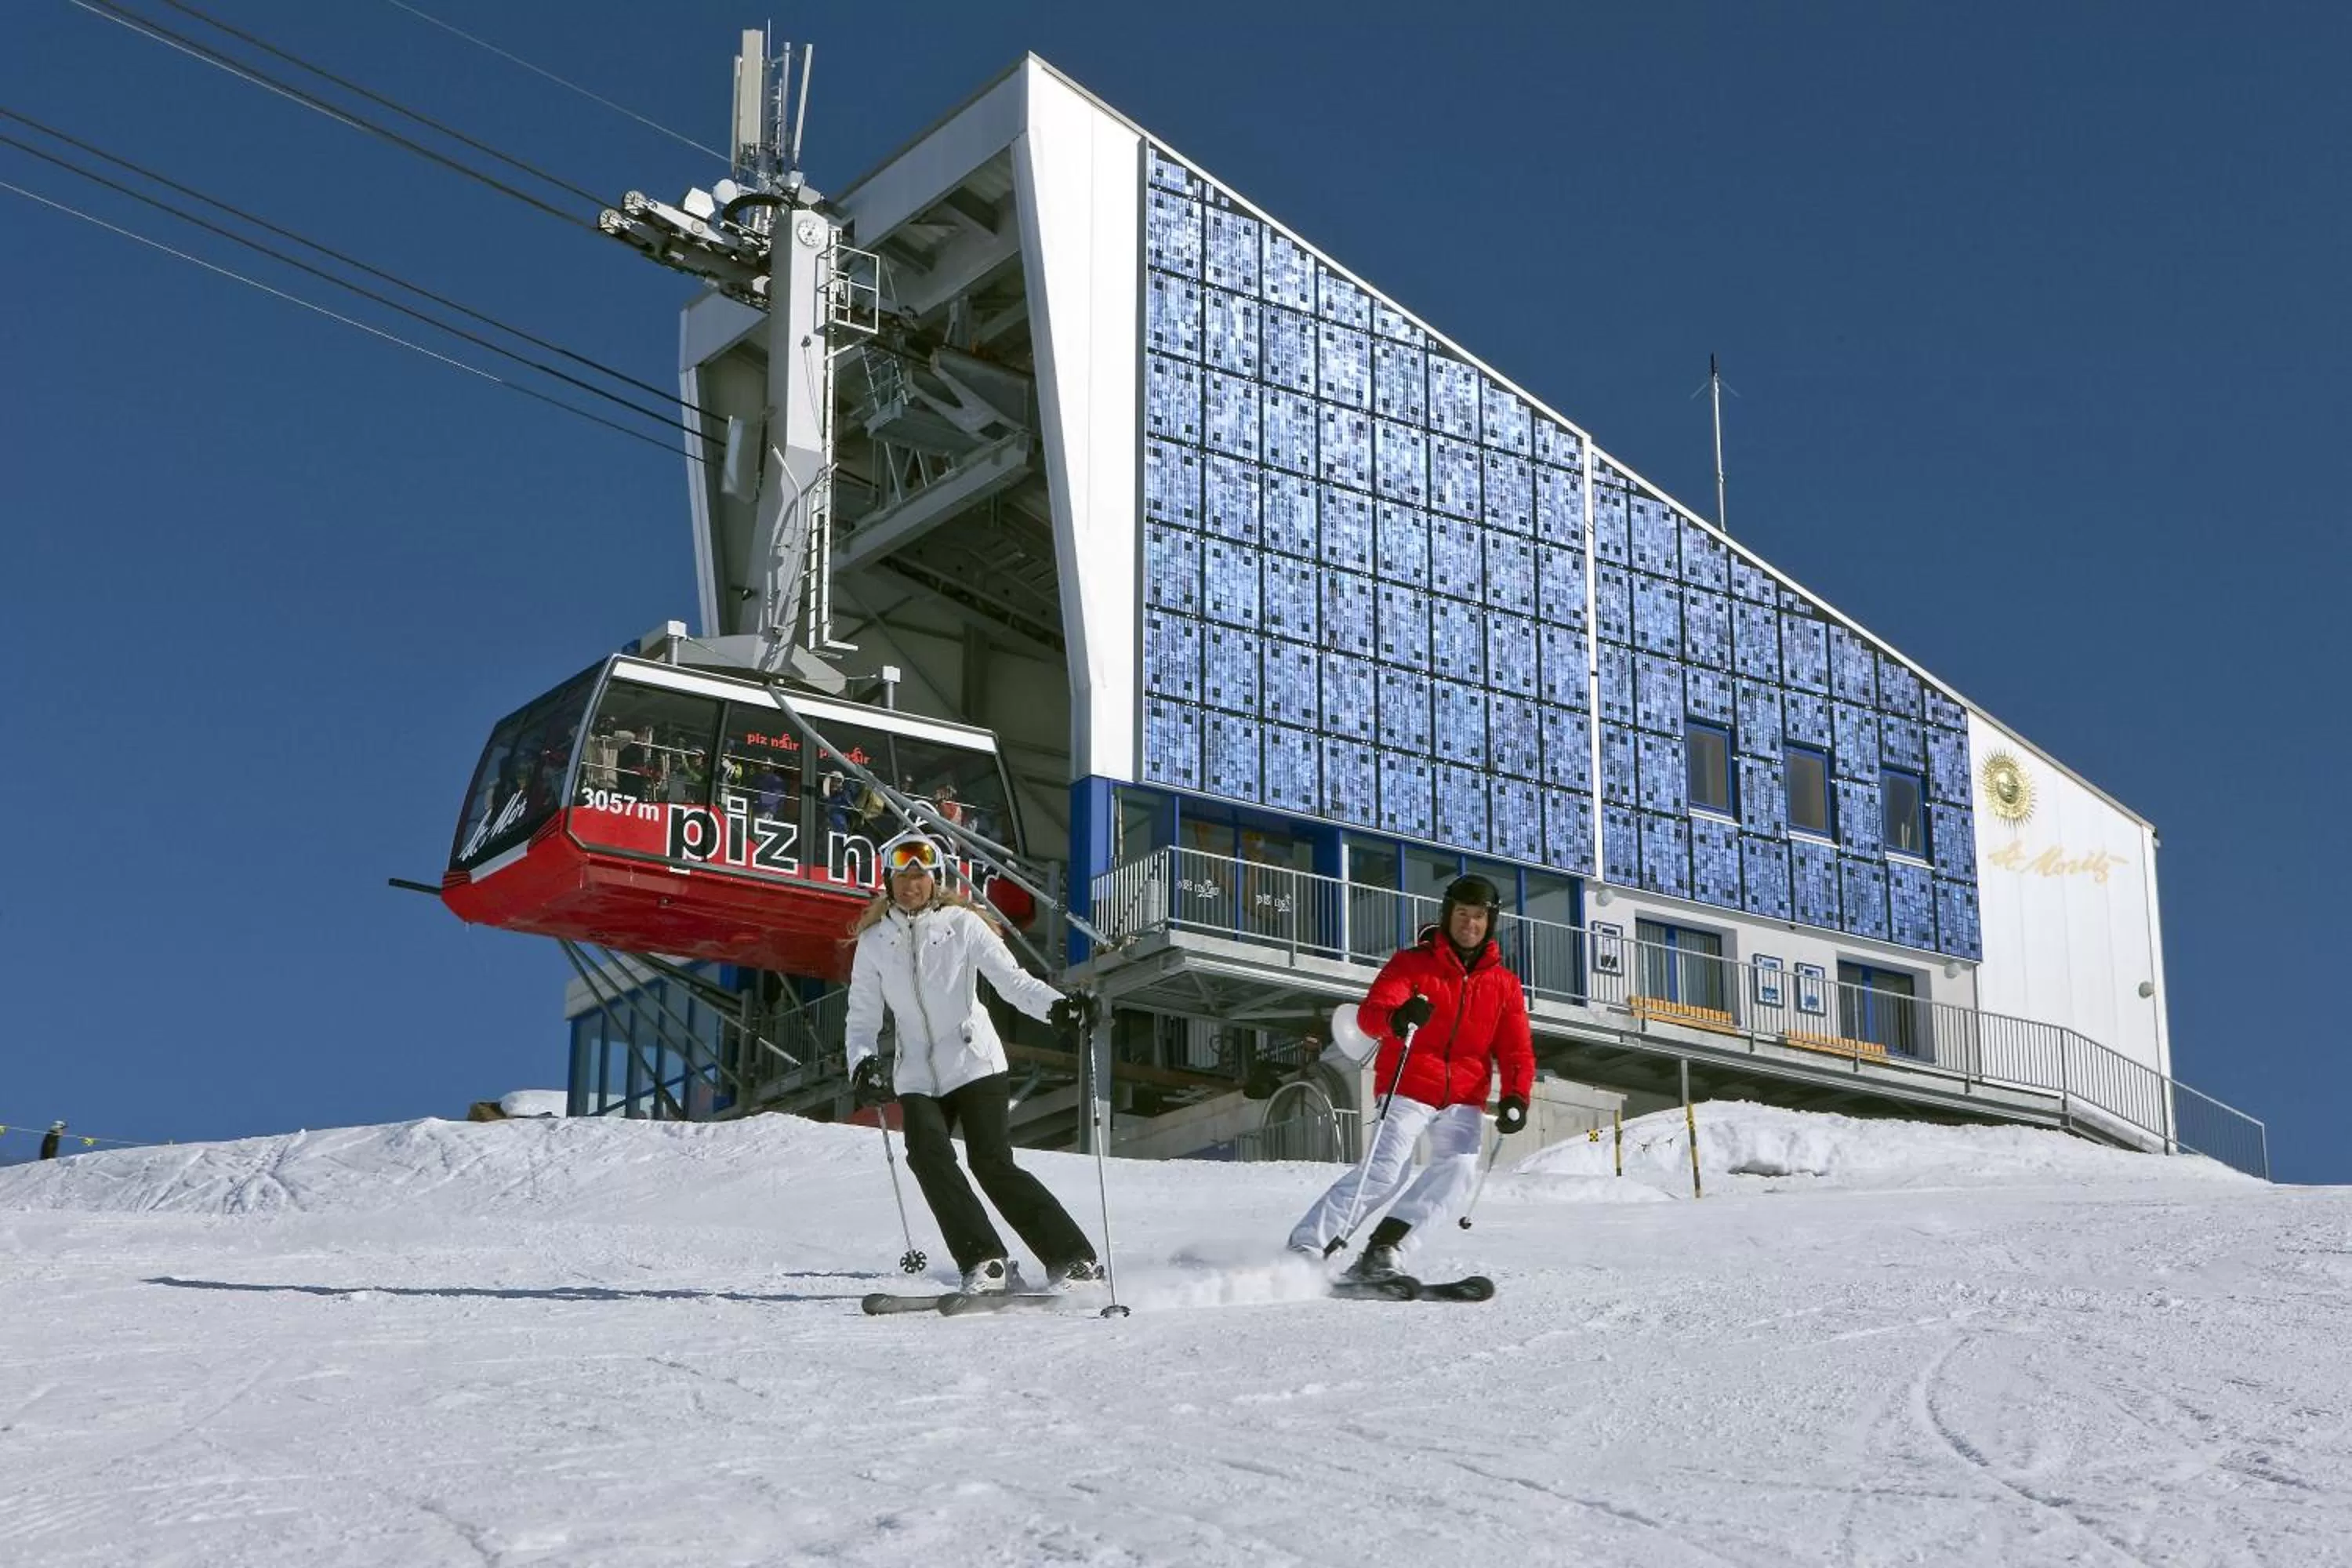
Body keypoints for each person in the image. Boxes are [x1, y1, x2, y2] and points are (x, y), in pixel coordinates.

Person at [844, 830, 1104, 1294]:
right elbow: (861, 1017)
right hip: (917, 1072)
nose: (911, 885)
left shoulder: (963, 926)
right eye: (901, 877)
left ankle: (1073, 1258)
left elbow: (1013, 982)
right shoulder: (874, 943)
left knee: (991, 1163)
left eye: (919, 876)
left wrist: (1058, 1007)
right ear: (887, 882)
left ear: (935, 878)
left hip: (974, 1061)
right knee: (927, 1154)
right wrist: (862, 1063)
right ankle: (986, 1261)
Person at [1287, 873, 1535, 1279]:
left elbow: (1516, 1050)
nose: (1468, 924)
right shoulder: (1412, 964)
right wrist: (1398, 1019)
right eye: (1461, 914)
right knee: (1385, 1172)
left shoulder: (1504, 985)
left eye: (1478, 916)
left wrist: (1516, 1097)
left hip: (1465, 1095)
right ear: (1447, 915)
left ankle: (1386, 1248)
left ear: (1490, 922)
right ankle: (1306, 1247)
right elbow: (1370, 1016)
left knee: (1457, 1171)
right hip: (1409, 1085)